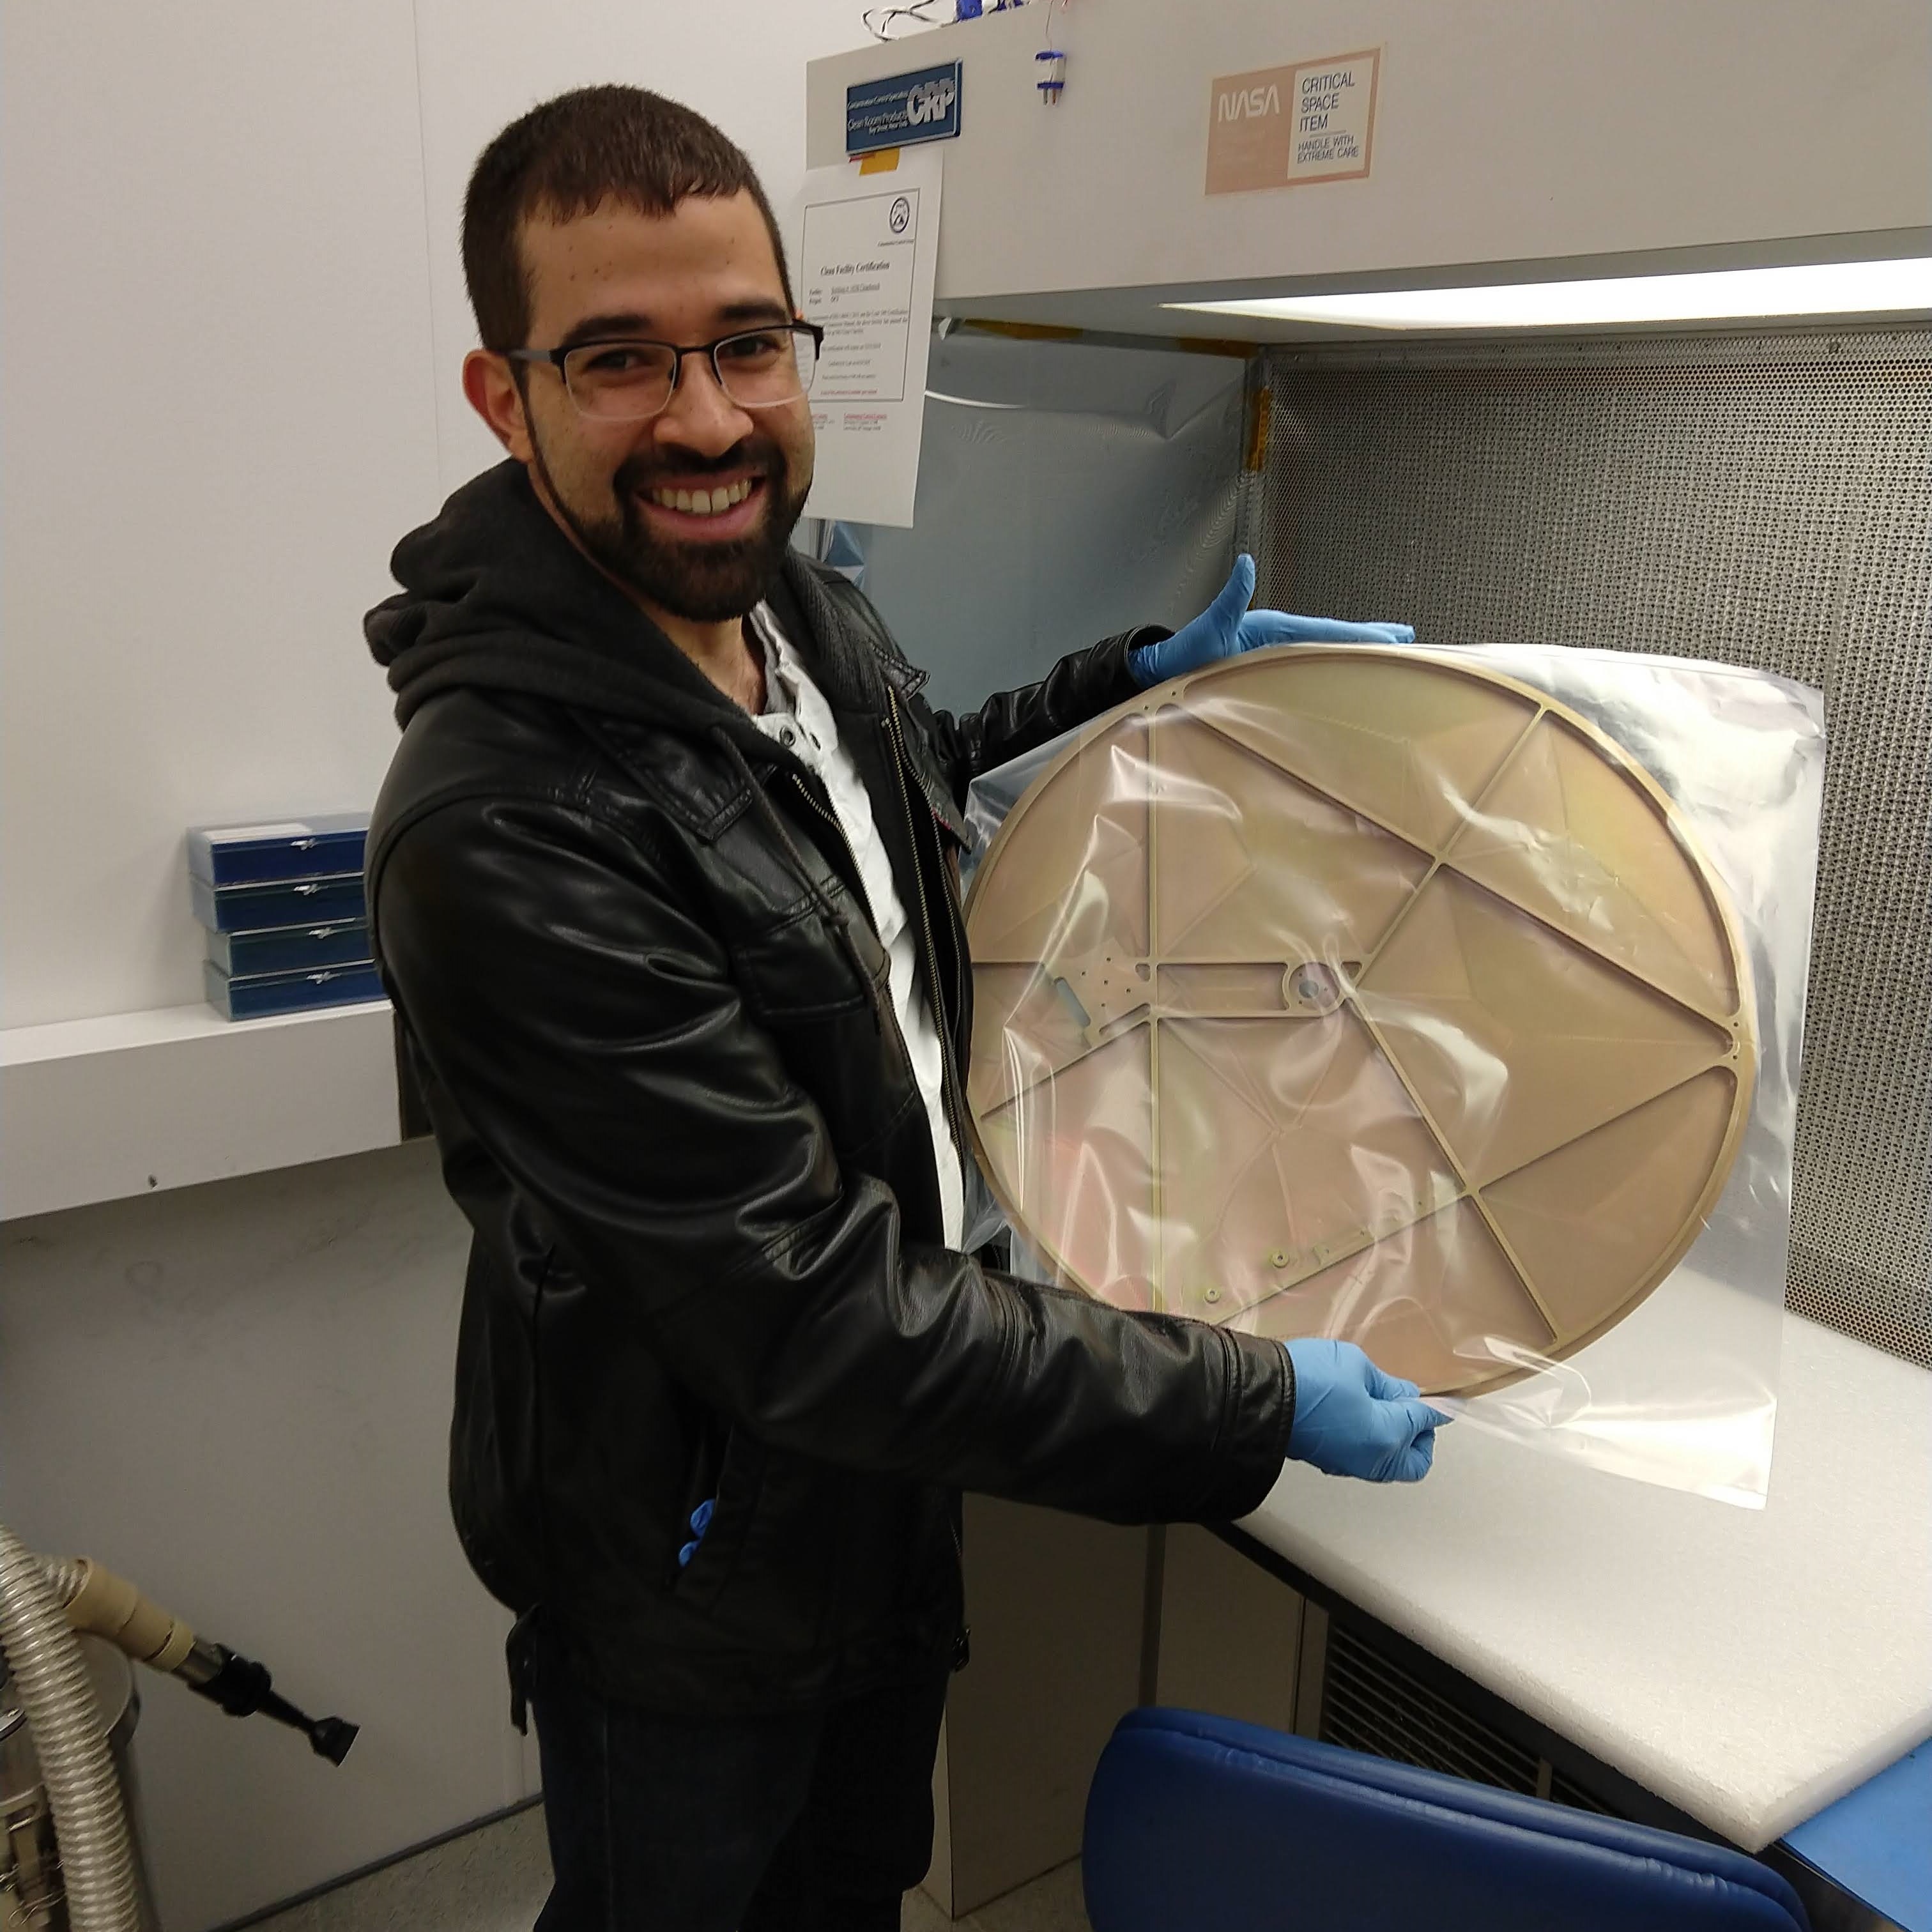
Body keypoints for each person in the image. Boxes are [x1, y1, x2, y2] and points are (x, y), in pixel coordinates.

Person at [365, 84, 1445, 1932]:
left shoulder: (780, 599)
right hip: (696, 1559)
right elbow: (814, 1314)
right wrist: (1253, 1398)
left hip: (886, 1486)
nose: (704, 419)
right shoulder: (501, 826)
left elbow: (879, 799)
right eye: (620, 359)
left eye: (745, 347)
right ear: (507, 395)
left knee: (855, 1891)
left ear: (800, 346)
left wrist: (1126, 689)